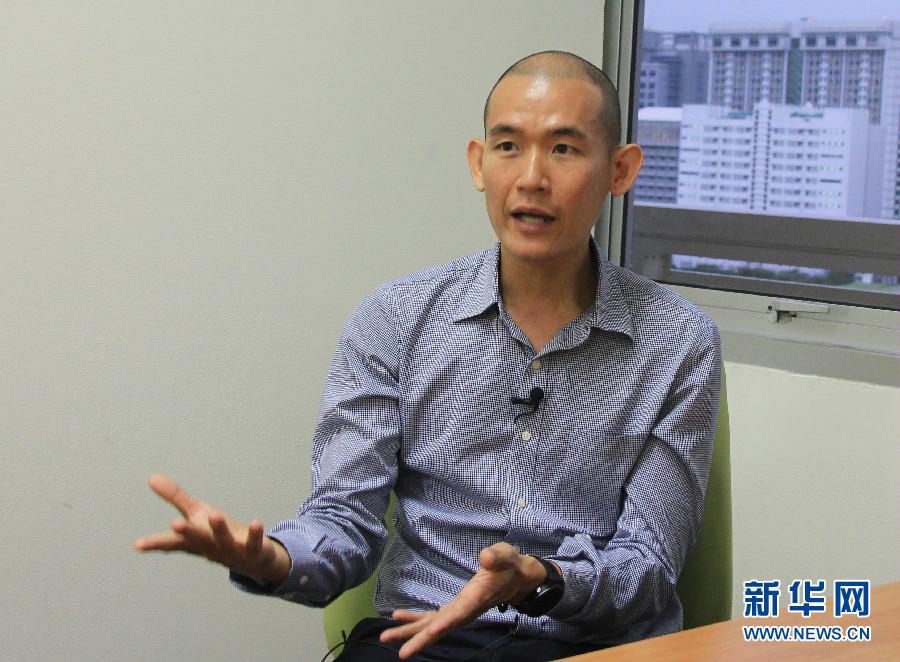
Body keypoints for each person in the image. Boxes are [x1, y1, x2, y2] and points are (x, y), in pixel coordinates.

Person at [134, 50, 722, 661]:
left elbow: (649, 567)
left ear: (620, 170)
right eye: (508, 146)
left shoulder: (678, 341)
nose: (531, 178)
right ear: (477, 162)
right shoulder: (395, 318)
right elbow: (344, 520)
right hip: (422, 639)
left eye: (564, 149)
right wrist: (272, 560)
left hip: (592, 646)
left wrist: (541, 581)